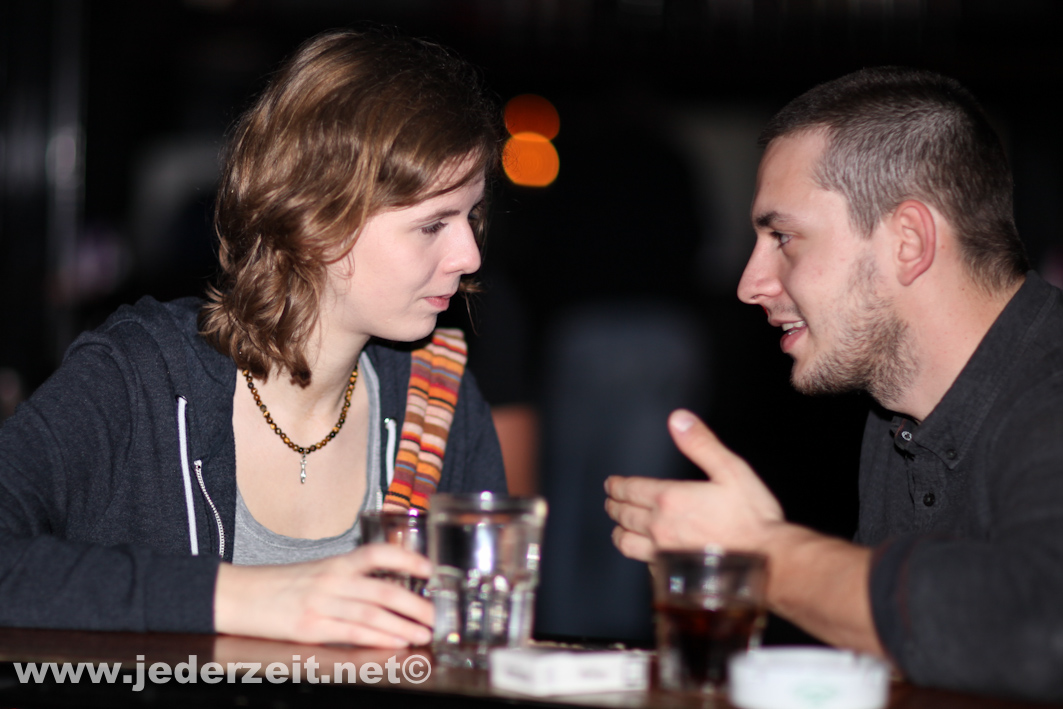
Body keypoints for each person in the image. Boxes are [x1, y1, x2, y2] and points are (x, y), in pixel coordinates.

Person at [0, 29, 507, 648]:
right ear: (317, 217)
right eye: (433, 224)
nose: (469, 254)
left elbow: (471, 651)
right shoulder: (141, 376)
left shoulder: (439, 401)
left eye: (470, 216)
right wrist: (244, 597)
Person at [605, 67, 1063, 701]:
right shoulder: (894, 418)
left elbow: (1040, 628)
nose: (749, 284)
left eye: (783, 237)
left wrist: (762, 555)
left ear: (908, 241)